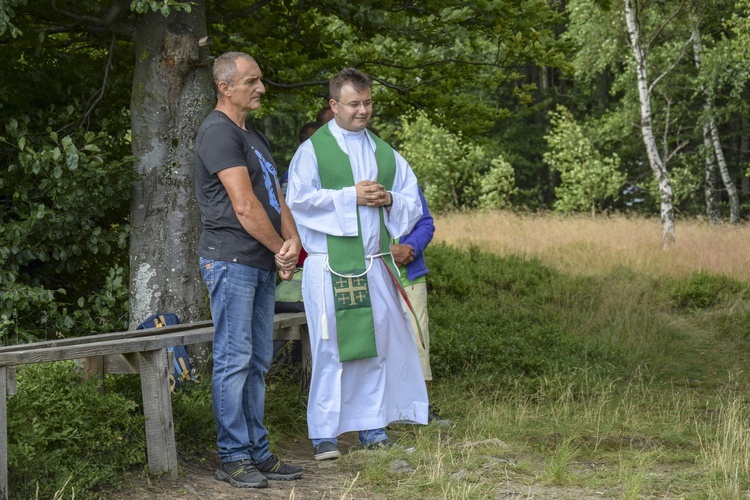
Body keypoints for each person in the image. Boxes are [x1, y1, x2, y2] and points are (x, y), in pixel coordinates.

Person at [286, 67, 428, 461]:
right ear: (334, 105)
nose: (362, 111)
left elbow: (414, 201)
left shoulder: (384, 152)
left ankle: (371, 427)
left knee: (375, 347)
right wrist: (350, 196)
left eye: (367, 103)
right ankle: (325, 434)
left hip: (375, 264)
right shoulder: (313, 151)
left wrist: (390, 201)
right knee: (331, 349)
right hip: (331, 266)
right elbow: (297, 201)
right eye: (354, 104)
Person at [194, 51, 303, 489]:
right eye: (252, 81)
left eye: (261, 80)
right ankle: (232, 456)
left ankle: (258, 452)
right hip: (231, 259)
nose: (261, 88)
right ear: (226, 87)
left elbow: (277, 197)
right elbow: (244, 206)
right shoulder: (217, 133)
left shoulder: (253, 136)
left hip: (259, 261)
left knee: (258, 360)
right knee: (234, 360)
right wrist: (280, 250)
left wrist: (292, 247)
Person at [390, 188, 451, 426]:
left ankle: (419, 409)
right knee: (379, 344)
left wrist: (411, 248)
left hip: (410, 278)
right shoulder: (352, 177)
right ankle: (381, 412)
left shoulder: (405, 178)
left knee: (418, 343)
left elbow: (425, 222)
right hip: (371, 279)